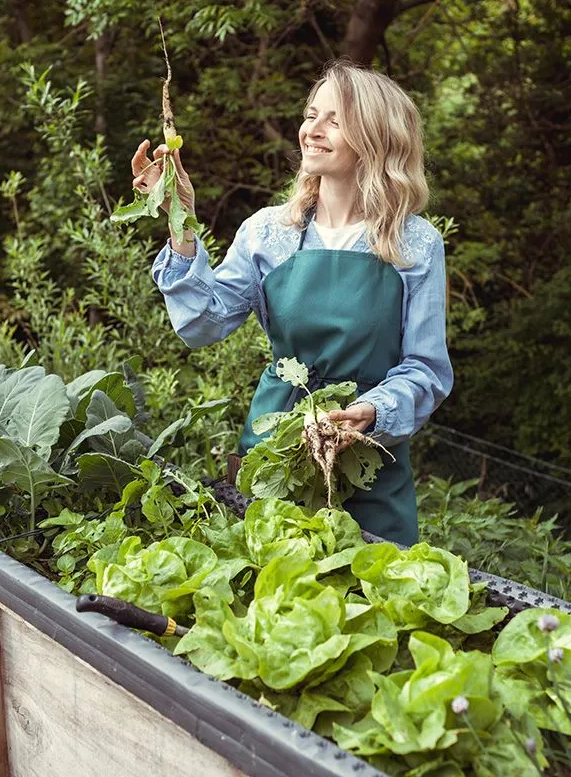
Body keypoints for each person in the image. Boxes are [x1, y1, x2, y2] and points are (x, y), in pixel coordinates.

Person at [132, 60, 452, 546]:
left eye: (334, 120)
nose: (312, 131)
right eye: (310, 115)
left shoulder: (415, 244)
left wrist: (372, 411)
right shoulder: (268, 233)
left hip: (369, 461)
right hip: (274, 455)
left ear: (377, 137)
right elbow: (202, 325)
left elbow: (426, 370)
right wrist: (180, 219)